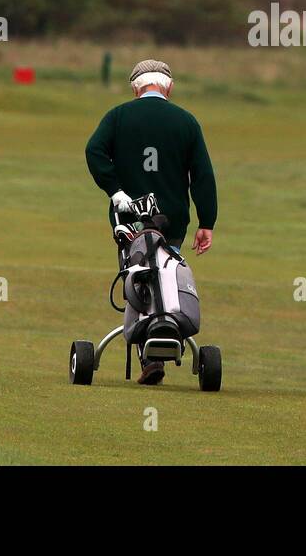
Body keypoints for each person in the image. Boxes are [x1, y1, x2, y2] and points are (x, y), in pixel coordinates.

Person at [85, 58, 217, 385]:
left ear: (136, 88)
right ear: (168, 87)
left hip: (128, 220)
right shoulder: (186, 121)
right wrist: (207, 221)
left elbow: (94, 151)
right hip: (171, 220)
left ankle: (147, 347)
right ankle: (165, 333)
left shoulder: (118, 116)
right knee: (165, 274)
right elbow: (202, 175)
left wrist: (115, 191)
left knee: (137, 273)